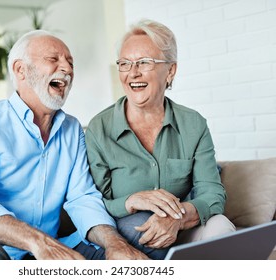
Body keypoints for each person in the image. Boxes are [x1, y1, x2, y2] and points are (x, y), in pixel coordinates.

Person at [0, 30, 149, 260]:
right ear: (20, 70)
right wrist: (38, 241)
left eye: (70, 62)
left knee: (137, 233)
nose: (67, 69)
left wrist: (114, 243)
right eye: (53, 59)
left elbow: (82, 197)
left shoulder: (72, 129)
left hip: (49, 251)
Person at [85, 19, 236, 260]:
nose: (132, 73)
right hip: (130, 234)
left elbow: (212, 192)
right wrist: (133, 201)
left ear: (171, 71)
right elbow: (94, 202)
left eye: (144, 62)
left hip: (182, 228)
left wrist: (178, 217)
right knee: (142, 228)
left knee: (220, 226)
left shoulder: (193, 123)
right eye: (125, 63)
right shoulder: (98, 129)